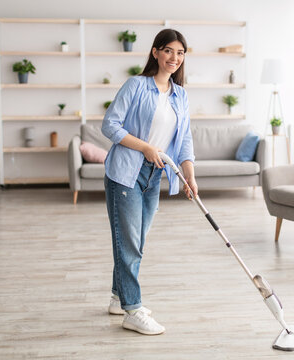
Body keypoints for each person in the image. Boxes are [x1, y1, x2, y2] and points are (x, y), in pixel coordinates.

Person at [101, 29, 197, 336]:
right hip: (126, 172)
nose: (174, 58)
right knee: (129, 242)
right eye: (169, 51)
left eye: (180, 53)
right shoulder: (136, 85)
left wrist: (189, 175)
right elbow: (110, 125)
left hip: (156, 175)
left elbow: (184, 141)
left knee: (137, 241)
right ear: (155, 52)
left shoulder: (180, 95)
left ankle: (118, 297)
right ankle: (133, 309)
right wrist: (145, 147)